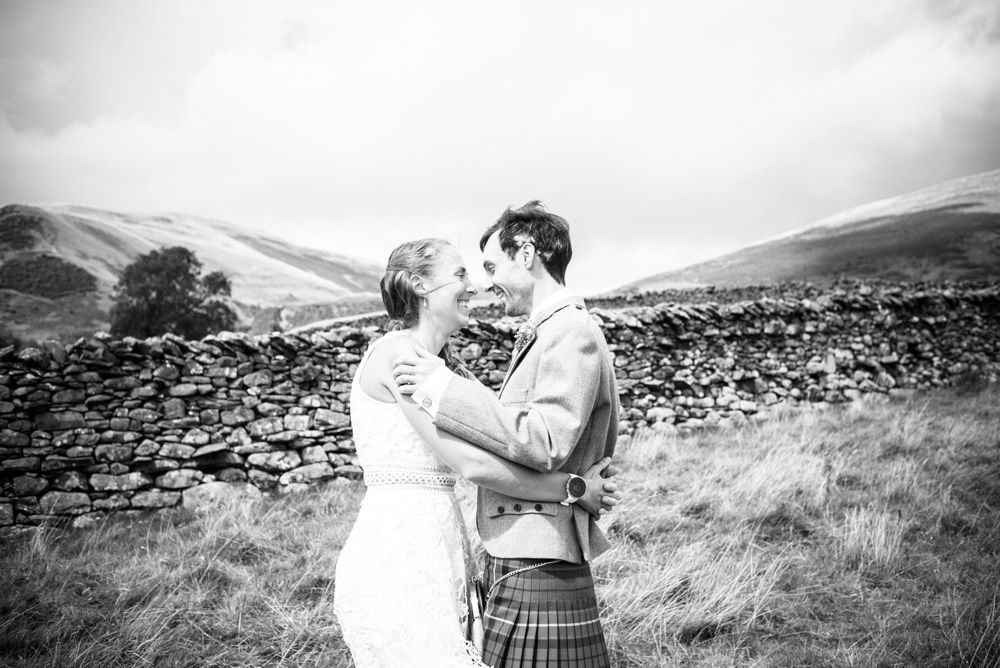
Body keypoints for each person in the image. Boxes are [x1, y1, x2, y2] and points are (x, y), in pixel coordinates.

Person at [333, 237, 620, 668]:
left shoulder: (438, 368)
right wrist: (572, 489)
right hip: (401, 553)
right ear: (419, 286)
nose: (475, 287)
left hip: (440, 547)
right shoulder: (399, 356)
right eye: (461, 274)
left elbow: (507, 439)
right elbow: (472, 464)